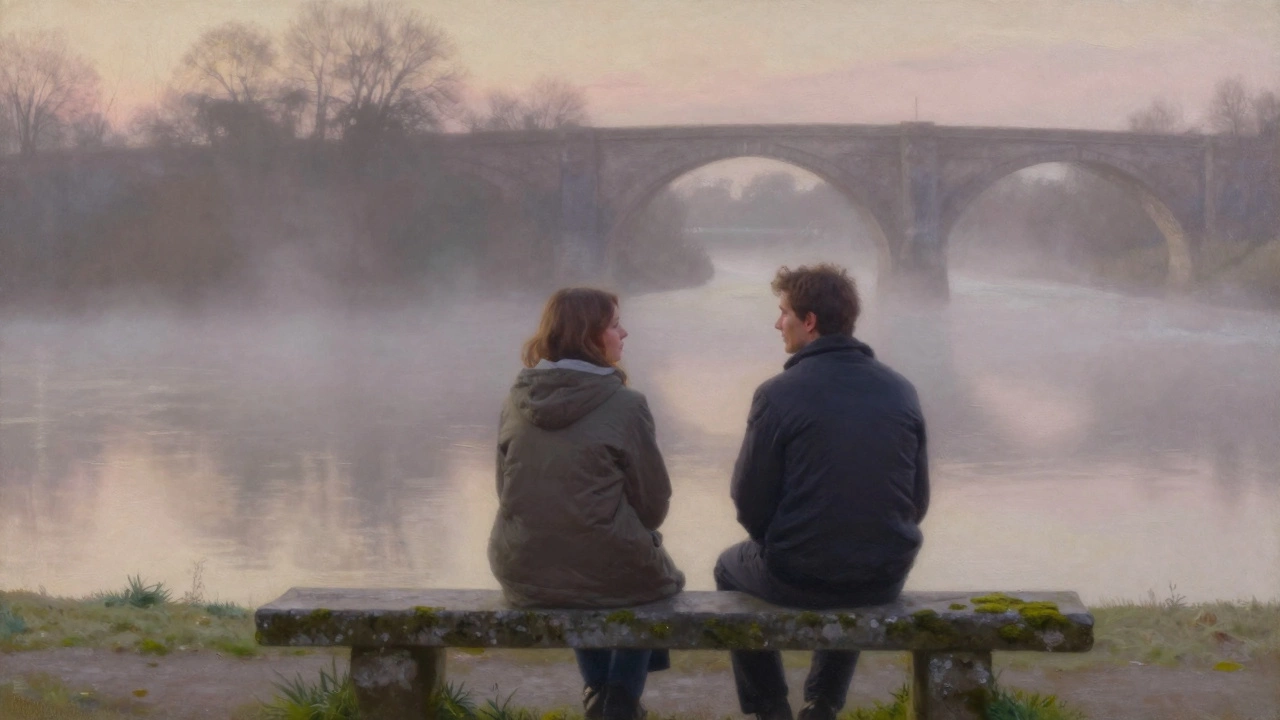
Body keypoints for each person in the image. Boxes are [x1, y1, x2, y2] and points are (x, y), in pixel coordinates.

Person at [715, 264, 930, 720]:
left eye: (783, 313)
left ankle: (770, 707)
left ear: (808, 321)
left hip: (799, 575)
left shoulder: (777, 394)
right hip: (885, 574)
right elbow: (917, 502)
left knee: (727, 569)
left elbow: (748, 501)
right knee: (856, 544)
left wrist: (776, 540)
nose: (778, 324)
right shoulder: (901, 390)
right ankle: (824, 704)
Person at [489, 287, 685, 720]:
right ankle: (619, 699)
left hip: (523, 566)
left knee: (583, 555)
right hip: (604, 568)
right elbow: (653, 504)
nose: (625, 333)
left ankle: (599, 694)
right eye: (616, 324)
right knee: (642, 575)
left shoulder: (514, 401)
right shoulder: (627, 404)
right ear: (590, 336)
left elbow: (507, 495)